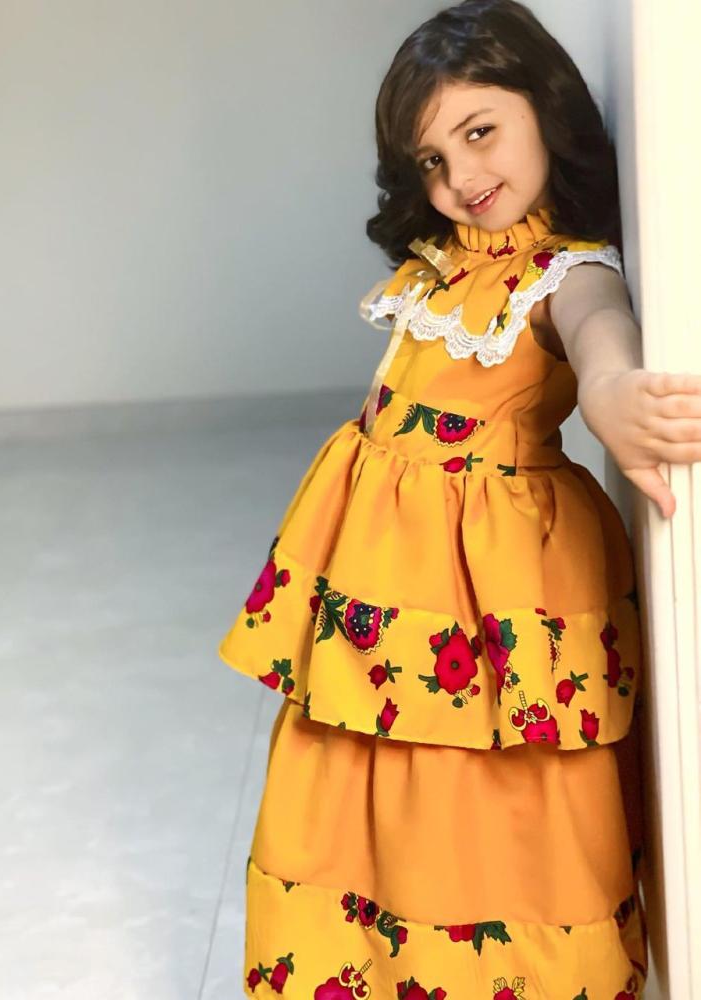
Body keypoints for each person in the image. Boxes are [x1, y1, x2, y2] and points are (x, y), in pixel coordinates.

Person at [218, 1, 699, 995]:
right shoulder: (439, 266)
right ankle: (378, 955)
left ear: (545, 108)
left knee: (485, 783)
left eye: (480, 132)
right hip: (380, 584)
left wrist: (614, 392)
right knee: (356, 765)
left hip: (489, 589)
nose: (460, 178)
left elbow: (599, 326)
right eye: (432, 160)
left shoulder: (562, 270)